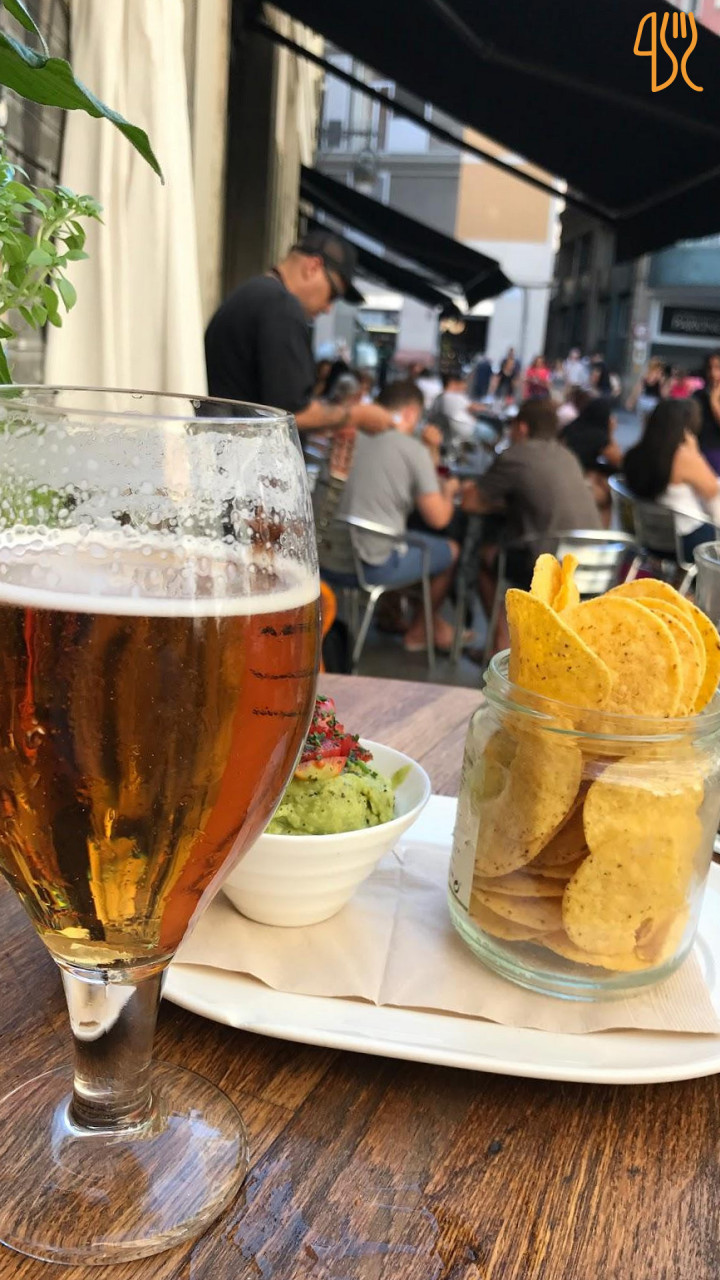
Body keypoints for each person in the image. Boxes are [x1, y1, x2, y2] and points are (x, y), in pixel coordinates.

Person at [204, 229, 393, 435]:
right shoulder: (280, 306)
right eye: (333, 294)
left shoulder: (255, 293)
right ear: (313, 267)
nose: (328, 308)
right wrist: (357, 415)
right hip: (237, 446)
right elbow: (293, 412)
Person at [321, 381, 461, 654]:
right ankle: (419, 631)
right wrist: (450, 489)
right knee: (449, 551)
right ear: (410, 413)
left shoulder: (346, 437)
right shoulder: (412, 449)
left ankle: (390, 615)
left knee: (399, 537)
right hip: (369, 567)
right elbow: (439, 518)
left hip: (325, 559)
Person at [462, 398, 601, 654]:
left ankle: (501, 645)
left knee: (485, 558)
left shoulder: (516, 455)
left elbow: (470, 503)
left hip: (554, 566)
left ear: (522, 427)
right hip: (599, 567)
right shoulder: (567, 455)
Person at [624, 398, 720, 559]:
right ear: (686, 429)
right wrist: (695, 453)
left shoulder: (636, 455)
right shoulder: (682, 457)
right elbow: (713, 491)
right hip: (688, 540)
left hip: (649, 538)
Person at [560, 397, 623, 524]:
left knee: (599, 477)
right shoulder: (598, 436)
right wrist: (610, 433)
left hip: (560, 477)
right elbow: (619, 461)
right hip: (574, 484)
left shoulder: (570, 428)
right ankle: (602, 532)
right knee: (608, 496)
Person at [693, 351, 720, 473]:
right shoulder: (698, 395)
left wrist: (714, 401)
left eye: (718, 368)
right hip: (699, 450)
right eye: (710, 368)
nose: (713, 373)